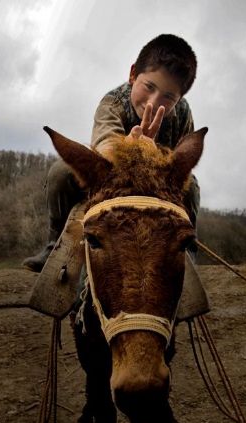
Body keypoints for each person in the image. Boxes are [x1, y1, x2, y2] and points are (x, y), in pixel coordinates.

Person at [23, 33, 200, 272]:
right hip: (110, 182)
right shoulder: (112, 104)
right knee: (60, 173)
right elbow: (105, 146)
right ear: (132, 74)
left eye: (168, 97)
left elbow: (180, 164)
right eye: (149, 87)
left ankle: (185, 250)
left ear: (179, 98)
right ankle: (54, 244)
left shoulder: (183, 114)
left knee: (192, 187)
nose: (153, 102)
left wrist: (158, 164)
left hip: (155, 190)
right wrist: (133, 148)